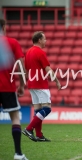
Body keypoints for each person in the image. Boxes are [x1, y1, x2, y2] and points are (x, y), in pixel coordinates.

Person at [22, 31, 61, 142]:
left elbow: (26, 69)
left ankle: (39, 135)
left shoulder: (28, 52)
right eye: (44, 39)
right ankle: (29, 129)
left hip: (32, 84)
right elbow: (48, 69)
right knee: (47, 108)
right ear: (39, 40)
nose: (46, 41)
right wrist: (57, 81)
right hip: (40, 83)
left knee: (38, 109)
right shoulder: (40, 52)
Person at [0, 19, 28, 160]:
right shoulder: (11, 42)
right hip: (7, 87)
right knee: (15, 118)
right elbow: (21, 65)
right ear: (4, 27)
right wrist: (22, 85)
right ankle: (18, 154)